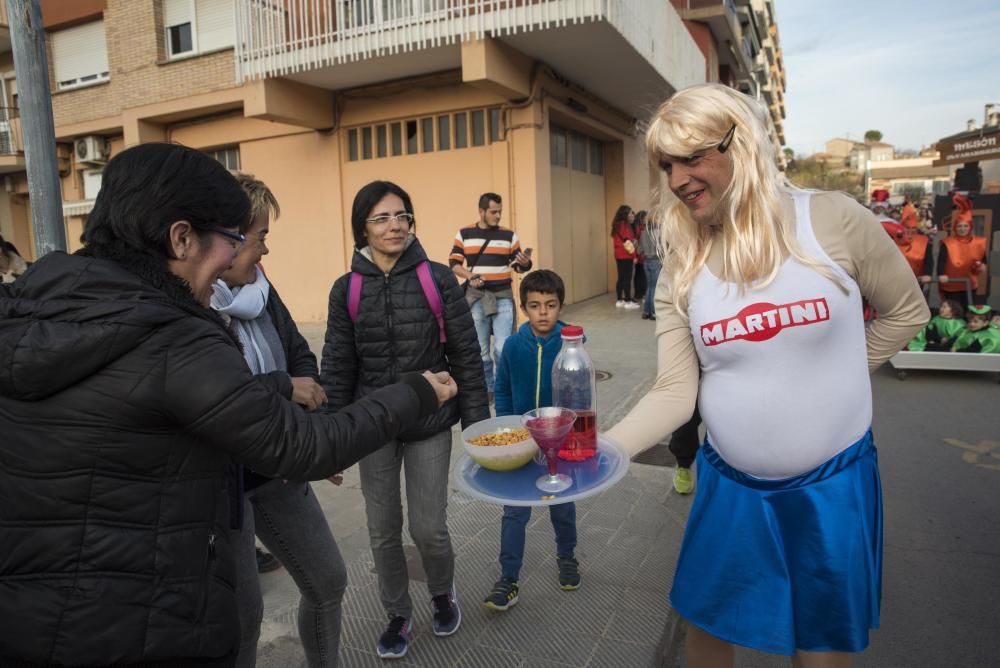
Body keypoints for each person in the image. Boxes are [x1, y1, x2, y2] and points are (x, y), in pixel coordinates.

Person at [0, 144, 457, 667]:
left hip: (32, 617)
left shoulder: (33, 306)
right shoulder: (173, 336)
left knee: (323, 580)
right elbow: (305, 446)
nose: (246, 255)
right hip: (134, 621)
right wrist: (415, 391)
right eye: (236, 239)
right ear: (181, 237)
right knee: (244, 616)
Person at [605, 84, 928, 667]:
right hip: (729, 487)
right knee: (706, 631)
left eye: (694, 156)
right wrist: (600, 453)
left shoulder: (832, 219)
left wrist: (842, 374)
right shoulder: (682, 262)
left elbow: (908, 311)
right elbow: (677, 391)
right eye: (667, 165)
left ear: (743, 142)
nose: (678, 180)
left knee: (821, 646)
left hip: (833, 484)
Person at [323, 180, 489, 660]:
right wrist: (329, 439)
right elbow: (337, 365)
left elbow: (466, 356)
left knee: (428, 528)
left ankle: (441, 591)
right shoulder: (346, 289)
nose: (395, 226)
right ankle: (397, 613)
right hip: (372, 425)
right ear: (363, 229)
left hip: (429, 422)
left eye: (402, 216)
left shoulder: (437, 279)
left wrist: (478, 429)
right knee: (381, 529)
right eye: (382, 218)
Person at [209, 173, 347, 668]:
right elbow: (223, 398)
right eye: (260, 236)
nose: (265, 251)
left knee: (328, 582)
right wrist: (285, 389)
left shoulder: (262, 289)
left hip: (278, 466)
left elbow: (298, 355)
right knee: (243, 619)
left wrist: (312, 436)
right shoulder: (191, 307)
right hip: (224, 484)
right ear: (226, 238)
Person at [482, 269, 582, 613]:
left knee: (563, 505)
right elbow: (503, 389)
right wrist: (509, 432)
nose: (543, 312)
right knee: (514, 512)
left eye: (551, 305)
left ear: (561, 306)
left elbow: (580, 392)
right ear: (523, 308)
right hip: (522, 444)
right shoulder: (511, 345)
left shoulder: (572, 344)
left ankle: (567, 557)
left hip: (560, 441)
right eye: (535, 305)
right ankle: (508, 579)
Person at [449, 193, 532, 399]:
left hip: (503, 295)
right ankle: (488, 389)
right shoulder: (464, 234)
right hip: (477, 297)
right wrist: (470, 275)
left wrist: (523, 262)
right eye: (494, 212)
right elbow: (454, 263)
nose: (498, 216)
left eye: (500, 212)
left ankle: (503, 386)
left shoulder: (509, 235)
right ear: (482, 211)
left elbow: (519, 267)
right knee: (481, 348)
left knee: (504, 347)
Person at [936, 194, 988, 309]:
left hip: (970, 283)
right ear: (955, 227)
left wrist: (982, 266)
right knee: (953, 309)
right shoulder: (948, 242)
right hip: (951, 283)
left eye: (965, 226)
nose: (962, 229)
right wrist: (941, 274)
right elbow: (941, 260)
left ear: (970, 227)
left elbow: (983, 259)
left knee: (968, 308)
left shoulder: (979, 242)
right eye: (960, 226)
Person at [611, 205, 639, 308]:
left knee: (621, 277)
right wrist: (634, 254)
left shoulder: (617, 224)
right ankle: (628, 301)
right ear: (625, 214)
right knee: (627, 278)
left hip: (619, 255)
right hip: (626, 255)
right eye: (630, 213)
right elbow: (628, 241)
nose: (632, 214)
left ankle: (619, 299)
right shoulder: (624, 224)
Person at [637, 210, 662, 320]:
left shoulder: (643, 233)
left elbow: (639, 251)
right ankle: (653, 313)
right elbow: (664, 249)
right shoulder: (659, 233)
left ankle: (646, 311)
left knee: (649, 287)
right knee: (654, 288)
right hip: (656, 261)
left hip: (646, 262)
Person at [633, 210, 648, 304]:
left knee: (639, 275)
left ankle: (638, 293)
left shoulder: (637, 227)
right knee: (641, 276)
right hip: (640, 256)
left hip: (639, 255)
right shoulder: (640, 228)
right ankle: (641, 293)